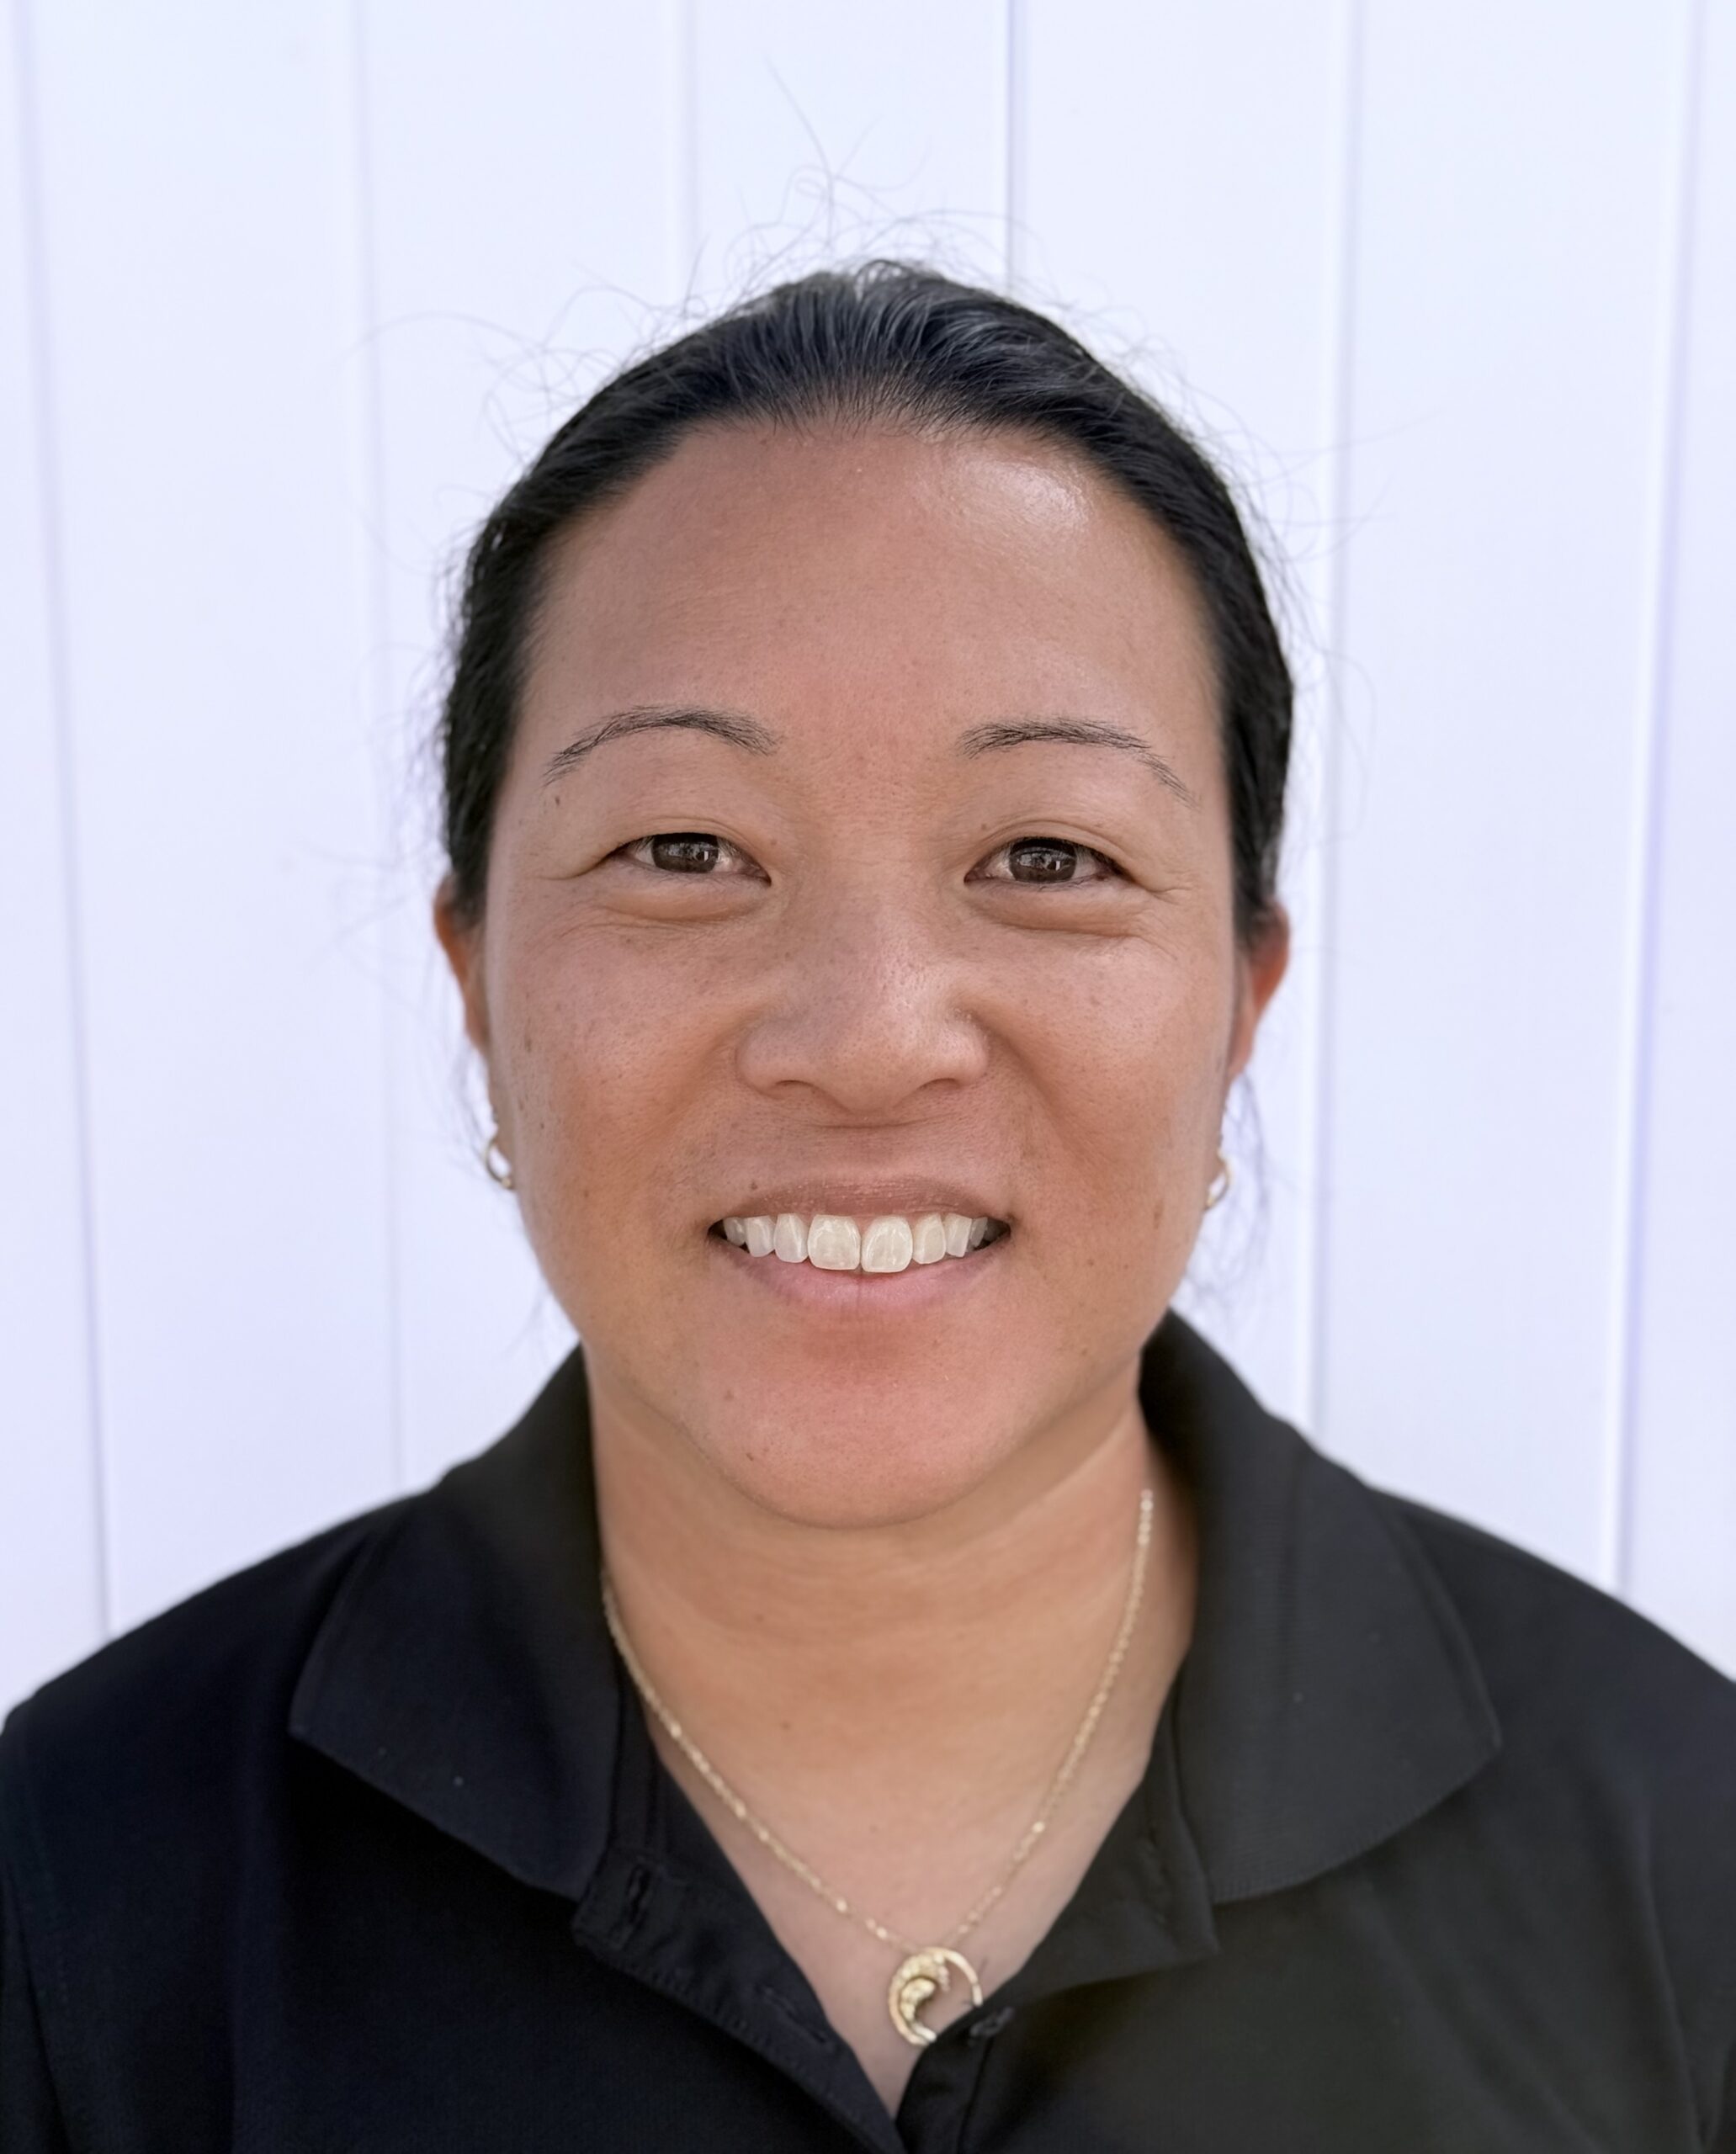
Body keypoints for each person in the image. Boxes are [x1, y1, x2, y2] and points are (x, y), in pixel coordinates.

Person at [3, 263, 1732, 2152]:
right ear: (480, 981)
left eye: (1049, 856)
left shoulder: (1673, 1854)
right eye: (684, 850)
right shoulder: (78, 1887)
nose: (869, 1033)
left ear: (1242, 998)